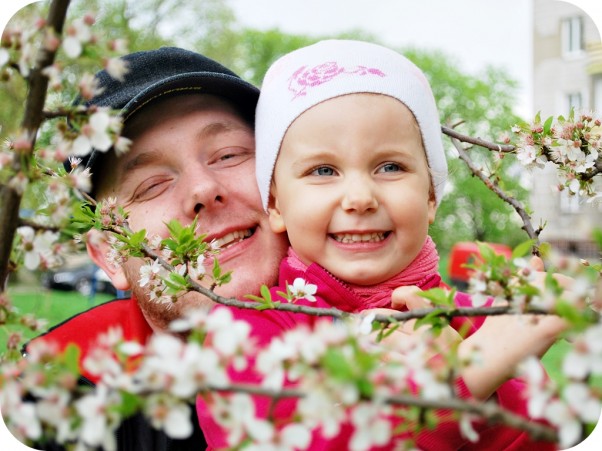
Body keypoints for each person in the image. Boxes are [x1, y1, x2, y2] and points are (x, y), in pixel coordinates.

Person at [196, 39, 566, 450]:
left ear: (430, 196)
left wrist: (491, 361)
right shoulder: (250, 332)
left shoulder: (481, 320)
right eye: (323, 170)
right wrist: (463, 377)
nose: (359, 197)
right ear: (275, 204)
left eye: (390, 166)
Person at [25, 46, 289, 450]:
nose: (203, 189)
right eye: (151, 184)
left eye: (229, 155)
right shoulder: (47, 403)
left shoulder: (401, 342)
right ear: (109, 255)